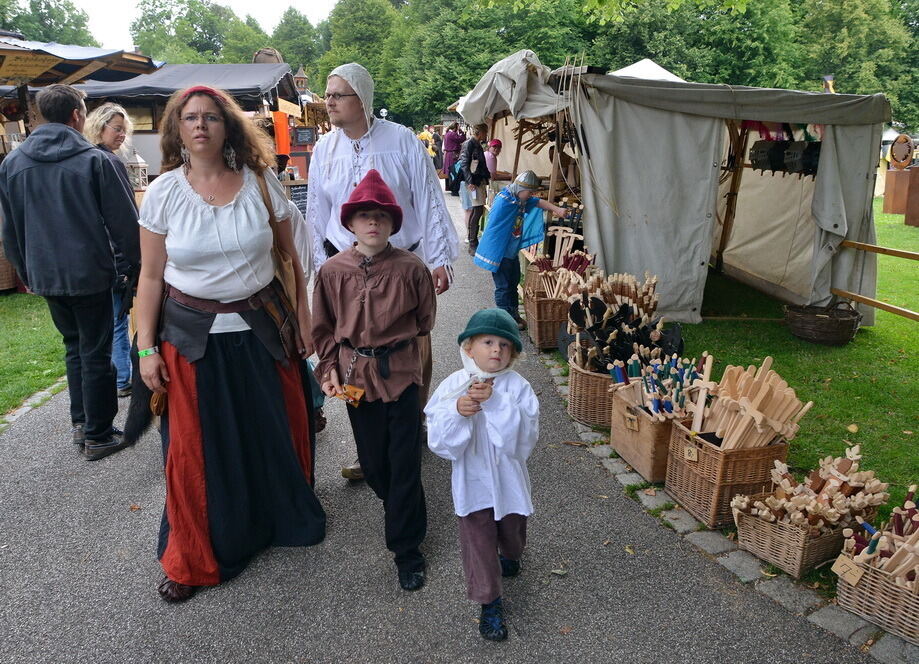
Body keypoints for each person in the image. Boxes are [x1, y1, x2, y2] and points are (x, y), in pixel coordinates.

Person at [134, 85, 325, 603]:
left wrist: (306, 319)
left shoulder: (262, 183)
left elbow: (294, 259)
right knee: (196, 450)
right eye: (190, 118)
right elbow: (150, 278)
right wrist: (146, 347)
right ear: (177, 129)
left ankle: (277, 520)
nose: (200, 126)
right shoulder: (165, 193)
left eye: (211, 118)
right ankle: (198, 552)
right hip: (191, 339)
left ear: (228, 127)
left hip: (262, 330)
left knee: (269, 431)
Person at [307, 62, 457, 480]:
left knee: (410, 348)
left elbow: (427, 196)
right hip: (348, 265)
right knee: (354, 352)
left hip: (402, 261)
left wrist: (437, 257)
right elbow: (316, 212)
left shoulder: (401, 140)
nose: (329, 102)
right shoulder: (325, 149)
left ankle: (410, 429)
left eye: (338, 94)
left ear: (362, 99)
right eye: (328, 93)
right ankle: (369, 446)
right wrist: (322, 269)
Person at [0, 84, 139, 459]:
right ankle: (97, 433)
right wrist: (140, 269)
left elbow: (9, 230)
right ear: (78, 115)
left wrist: (28, 273)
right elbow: (126, 225)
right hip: (89, 272)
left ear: (41, 116)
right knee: (95, 351)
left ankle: (83, 423)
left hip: (45, 273)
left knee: (75, 347)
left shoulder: (13, 163)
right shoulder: (95, 161)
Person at [312, 169, 435, 592]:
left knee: (404, 463)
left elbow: (424, 321)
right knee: (375, 462)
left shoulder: (411, 268)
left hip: (400, 373)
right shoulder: (331, 271)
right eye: (364, 216)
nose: (373, 223)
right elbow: (323, 328)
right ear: (349, 223)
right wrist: (329, 369)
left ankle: (407, 549)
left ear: (393, 224)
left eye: (382, 216)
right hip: (354, 376)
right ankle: (397, 504)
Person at [425, 308, 539, 641]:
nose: (496, 350)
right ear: (468, 347)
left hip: (508, 481)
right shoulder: (453, 386)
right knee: (478, 542)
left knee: (512, 532)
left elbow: (524, 438)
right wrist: (458, 412)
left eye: (505, 345)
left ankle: (512, 554)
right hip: (472, 483)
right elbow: (439, 438)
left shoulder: (518, 388)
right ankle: (489, 602)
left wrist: (495, 404)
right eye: (488, 342)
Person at [83, 102, 137, 399]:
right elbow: (121, 219)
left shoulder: (88, 159)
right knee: (117, 322)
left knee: (108, 324)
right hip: (112, 258)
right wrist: (129, 262)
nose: (121, 135)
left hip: (92, 260)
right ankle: (122, 379)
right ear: (100, 126)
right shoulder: (106, 162)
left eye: (124, 130)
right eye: (117, 129)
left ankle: (118, 376)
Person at [473, 171, 569, 330]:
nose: (531, 195)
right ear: (519, 188)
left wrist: (557, 210)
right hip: (500, 254)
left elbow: (538, 202)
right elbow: (494, 229)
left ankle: (513, 314)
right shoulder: (505, 202)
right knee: (503, 287)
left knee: (513, 282)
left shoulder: (519, 199)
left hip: (510, 253)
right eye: (529, 192)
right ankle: (504, 320)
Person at [459, 124, 490, 254]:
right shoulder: (469, 144)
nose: (486, 134)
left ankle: (473, 241)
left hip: (478, 181)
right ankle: (472, 243)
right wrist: (470, 181)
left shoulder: (476, 144)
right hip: (474, 182)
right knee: (476, 211)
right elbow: (464, 163)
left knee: (478, 211)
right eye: (485, 132)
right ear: (480, 132)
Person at [442, 122, 465, 195]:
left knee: (450, 171)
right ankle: (453, 188)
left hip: (449, 154)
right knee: (454, 171)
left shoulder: (448, 133)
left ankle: (449, 187)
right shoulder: (452, 134)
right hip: (453, 154)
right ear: (455, 127)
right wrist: (462, 132)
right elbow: (461, 139)